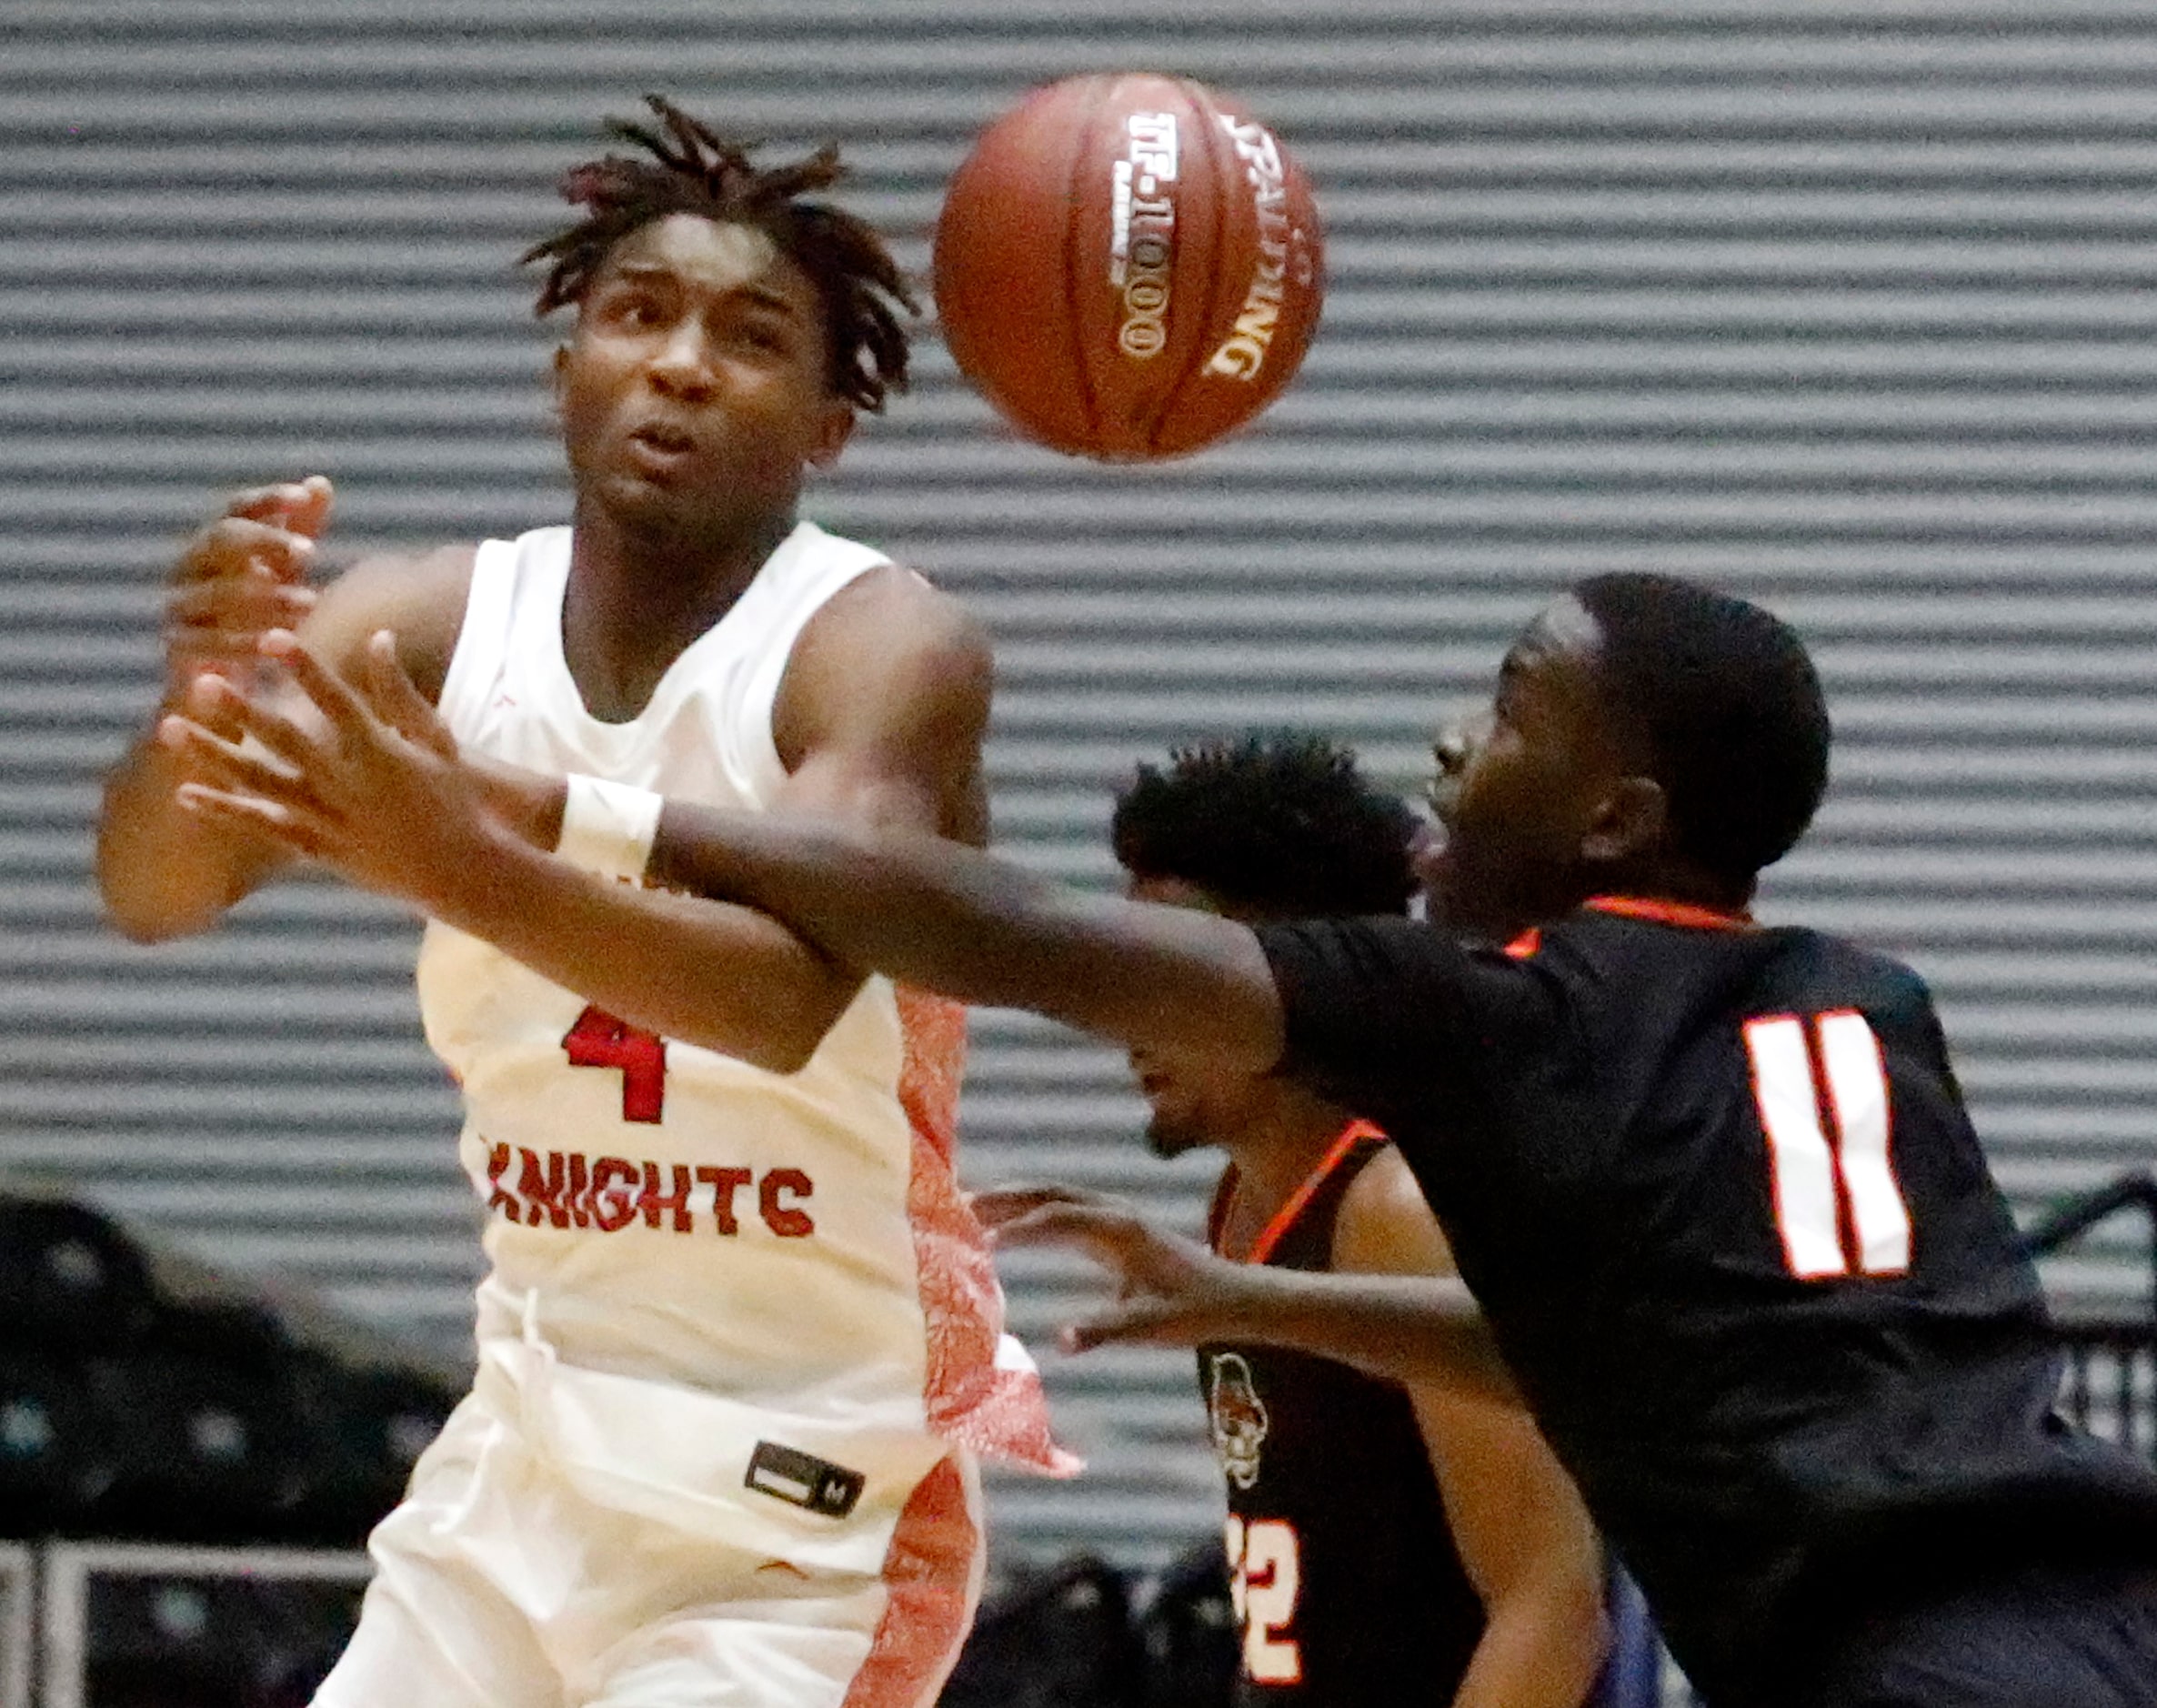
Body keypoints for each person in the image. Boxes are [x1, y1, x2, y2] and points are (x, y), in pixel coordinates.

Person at [162, 568, 2157, 1706]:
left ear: (1619, 815)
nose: (1454, 751)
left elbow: (1007, 935)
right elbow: (1655, 1359)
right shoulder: (1864, 1003)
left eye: (1509, 704)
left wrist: (549, 816)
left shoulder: (1499, 1014)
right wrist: (1247, 1296)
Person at [98, 96, 1067, 1708]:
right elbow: (156, 890)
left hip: (806, 1503)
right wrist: (198, 703)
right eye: (637, 314)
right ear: (569, 370)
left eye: (750, 337)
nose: (680, 361)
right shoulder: (422, 617)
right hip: (525, 1464)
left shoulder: (880, 646)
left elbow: (783, 998)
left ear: (830, 424)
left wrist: (466, 864)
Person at [1093, 731, 1607, 1707]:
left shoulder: (1393, 1207)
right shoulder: (1243, 1199)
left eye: (1161, 978)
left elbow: (1550, 1608)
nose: (1126, 1022)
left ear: (1279, 983)